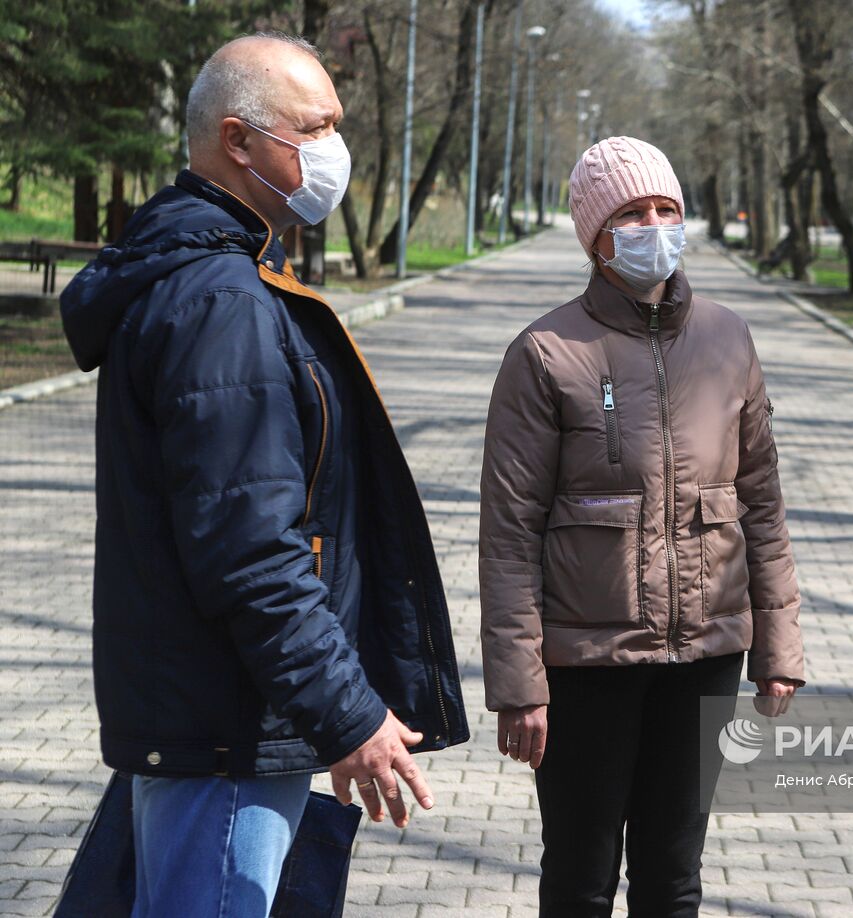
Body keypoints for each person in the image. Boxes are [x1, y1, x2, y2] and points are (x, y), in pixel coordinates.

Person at [58, 33, 468, 917]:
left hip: (211, 718)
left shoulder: (210, 277)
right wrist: (349, 714)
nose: (333, 152)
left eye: (336, 126)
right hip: (229, 733)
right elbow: (250, 550)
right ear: (239, 142)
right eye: (313, 130)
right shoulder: (221, 303)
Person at [478, 136, 806, 916]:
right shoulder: (546, 352)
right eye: (632, 212)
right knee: (583, 878)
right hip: (588, 661)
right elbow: (510, 534)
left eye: (667, 209)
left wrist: (779, 645)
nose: (654, 225)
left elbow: (762, 502)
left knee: (673, 875)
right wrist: (521, 684)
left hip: (706, 653)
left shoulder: (728, 338)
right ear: (596, 237)